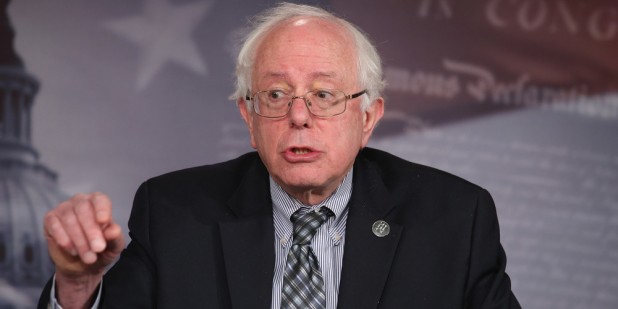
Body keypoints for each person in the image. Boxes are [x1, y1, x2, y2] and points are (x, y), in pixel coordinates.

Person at [39, 3, 521, 308]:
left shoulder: (454, 219)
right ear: (248, 118)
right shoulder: (173, 213)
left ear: (368, 118)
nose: (298, 116)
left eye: (324, 95)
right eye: (274, 95)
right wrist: (77, 289)